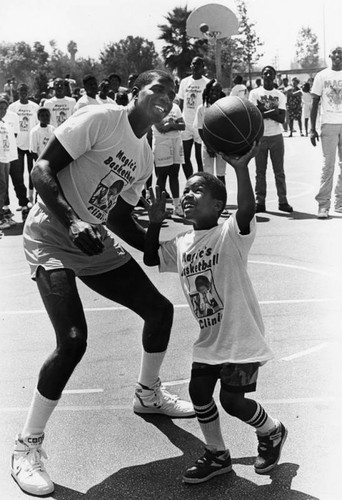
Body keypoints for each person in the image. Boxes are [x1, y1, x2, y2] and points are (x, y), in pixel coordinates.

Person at [10, 69, 194, 497]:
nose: (165, 96)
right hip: (52, 233)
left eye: (171, 91)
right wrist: (72, 222)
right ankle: (26, 446)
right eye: (157, 89)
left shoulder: (145, 157)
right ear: (137, 92)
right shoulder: (99, 119)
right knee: (73, 339)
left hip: (91, 236)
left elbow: (115, 218)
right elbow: (41, 171)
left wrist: (158, 231)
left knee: (159, 311)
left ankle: (148, 394)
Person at [142, 145, 288, 485]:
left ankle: (272, 430)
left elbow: (248, 208)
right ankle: (218, 454)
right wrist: (153, 224)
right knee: (199, 393)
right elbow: (151, 258)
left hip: (240, 334)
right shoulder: (180, 243)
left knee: (232, 401)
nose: (187, 194)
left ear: (218, 205)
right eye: (186, 189)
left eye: (197, 190)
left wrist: (239, 168)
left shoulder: (230, 234)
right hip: (209, 339)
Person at [249, 66, 293, 213]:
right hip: (261, 136)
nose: (268, 75)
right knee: (260, 172)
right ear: (261, 76)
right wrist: (273, 111)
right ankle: (260, 201)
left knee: (279, 171)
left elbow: (281, 118)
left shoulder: (280, 95)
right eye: (265, 73)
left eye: (270, 73)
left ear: (274, 76)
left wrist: (264, 110)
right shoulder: (254, 93)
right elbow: (255, 115)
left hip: (276, 137)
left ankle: (283, 201)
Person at [310, 44, 342, 218]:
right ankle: (323, 205)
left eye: (340, 53)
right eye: (335, 52)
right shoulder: (322, 76)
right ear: (330, 56)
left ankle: (340, 202)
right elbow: (314, 103)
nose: (337, 55)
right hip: (328, 125)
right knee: (328, 167)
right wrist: (311, 129)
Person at [193, 79, 229, 218]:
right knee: (208, 177)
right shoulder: (202, 108)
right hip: (207, 146)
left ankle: (222, 205)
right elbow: (201, 130)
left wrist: (219, 147)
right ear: (208, 91)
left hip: (221, 147)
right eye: (213, 90)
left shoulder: (224, 106)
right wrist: (209, 146)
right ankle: (208, 205)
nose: (215, 93)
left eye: (218, 91)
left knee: (220, 176)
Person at [177, 57, 210, 178]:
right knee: (185, 158)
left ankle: (201, 182)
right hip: (186, 124)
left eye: (198, 64)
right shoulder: (184, 82)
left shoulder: (207, 83)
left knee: (199, 157)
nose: (195, 66)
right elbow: (181, 102)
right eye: (193, 64)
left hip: (200, 125)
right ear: (190, 66)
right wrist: (178, 119)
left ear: (203, 67)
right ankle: (190, 181)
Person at [152, 99, 185, 216]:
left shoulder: (176, 107)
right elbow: (161, 128)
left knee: (174, 174)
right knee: (162, 176)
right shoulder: (155, 107)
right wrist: (174, 125)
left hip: (176, 142)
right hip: (162, 143)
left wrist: (170, 125)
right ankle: (161, 208)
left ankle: (177, 206)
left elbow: (183, 126)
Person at [8, 83, 39, 210]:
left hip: (31, 145)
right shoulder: (12, 107)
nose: (23, 92)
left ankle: (31, 197)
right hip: (17, 146)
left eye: (25, 90)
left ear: (29, 91)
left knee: (33, 173)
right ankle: (23, 201)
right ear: (17, 92)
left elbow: (38, 126)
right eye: (21, 90)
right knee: (18, 175)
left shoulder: (35, 107)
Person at [29, 108, 55, 203]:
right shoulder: (35, 131)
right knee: (41, 186)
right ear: (38, 117)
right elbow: (33, 151)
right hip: (41, 163)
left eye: (47, 115)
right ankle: (37, 203)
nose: (45, 118)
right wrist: (41, 164)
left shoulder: (52, 129)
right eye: (42, 116)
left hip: (51, 161)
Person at [0, 98, 18, 229]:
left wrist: (11, 158)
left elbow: (11, 142)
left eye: (5, 109)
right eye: (0, 108)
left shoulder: (6, 124)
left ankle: (3, 214)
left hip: (6, 159)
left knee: (5, 189)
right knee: (0, 188)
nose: (2, 111)